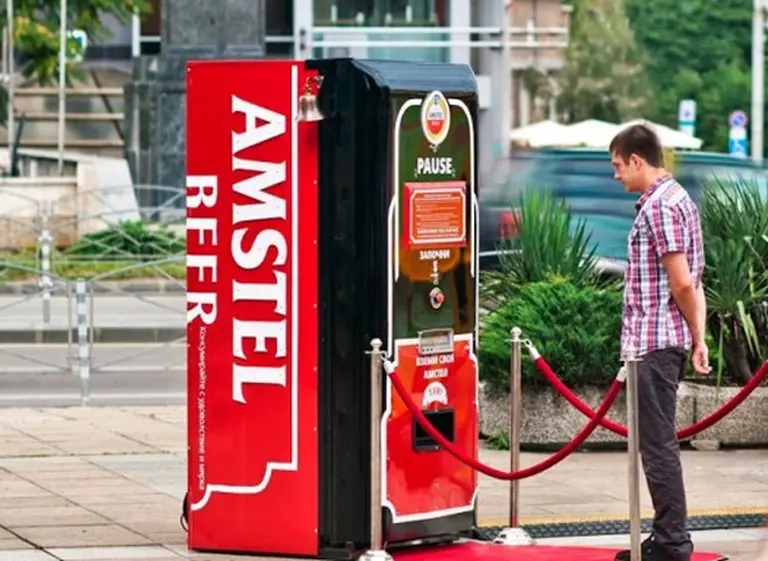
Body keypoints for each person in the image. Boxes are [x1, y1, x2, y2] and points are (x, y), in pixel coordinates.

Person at [608, 124, 710, 561]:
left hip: (653, 341)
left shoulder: (660, 208)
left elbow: (683, 282)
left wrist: (693, 333)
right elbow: (695, 281)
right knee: (657, 443)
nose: (615, 175)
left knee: (657, 445)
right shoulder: (678, 199)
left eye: (618, 166)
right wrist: (698, 337)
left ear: (637, 159)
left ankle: (671, 541)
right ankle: (666, 534)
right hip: (664, 340)